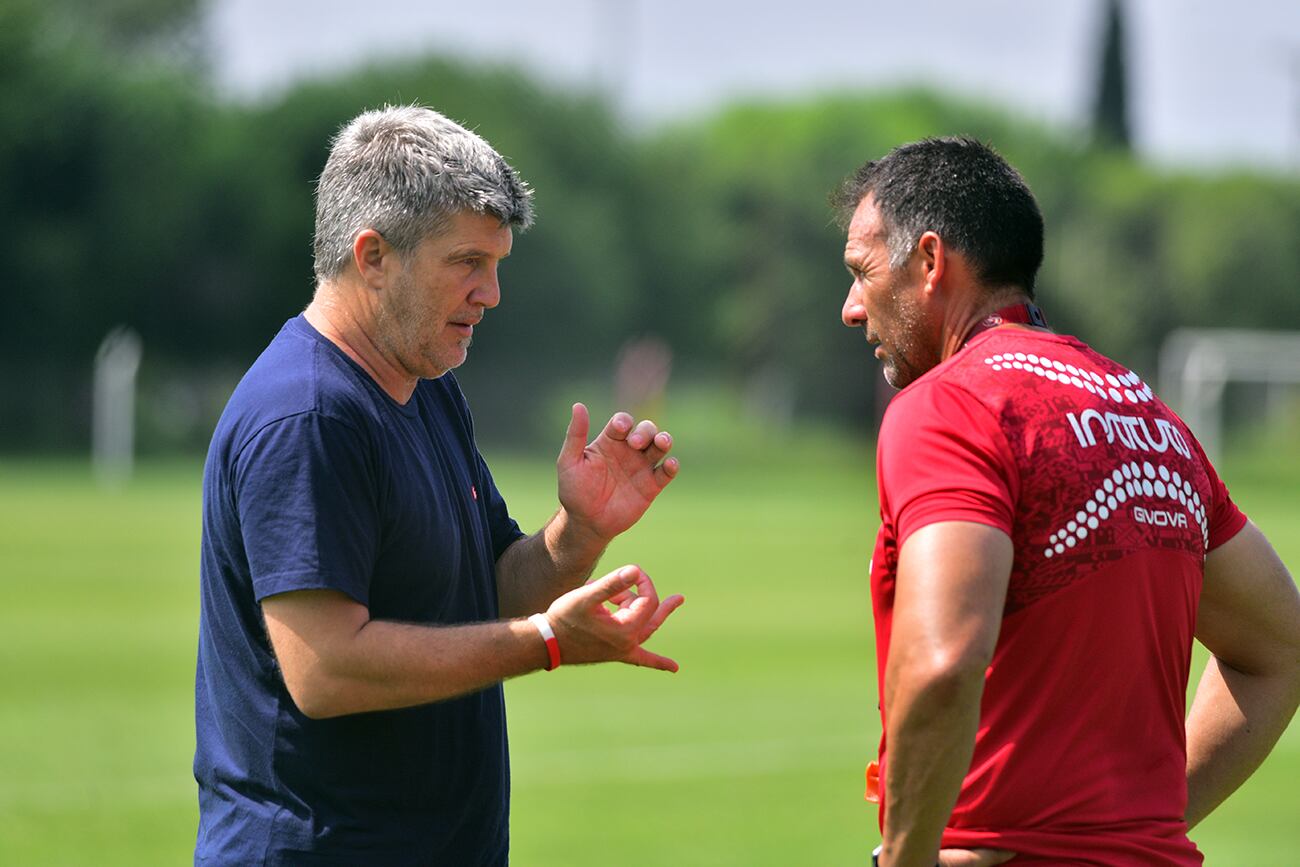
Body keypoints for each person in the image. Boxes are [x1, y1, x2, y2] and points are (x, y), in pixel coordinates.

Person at [194, 105, 684, 865]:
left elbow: (484, 589)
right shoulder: (310, 415)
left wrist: (577, 532)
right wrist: (548, 642)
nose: (491, 293)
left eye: (497, 264)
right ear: (373, 255)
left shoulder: (424, 386)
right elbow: (325, 667)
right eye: (467, 262)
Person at [833, 137, 1300, 866]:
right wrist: (1135, 832)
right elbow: (1281, 644)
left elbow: (945, 655)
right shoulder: (1150, 416)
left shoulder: (950, 405)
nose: (851, 308)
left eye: (863, 274)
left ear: (929, 263)